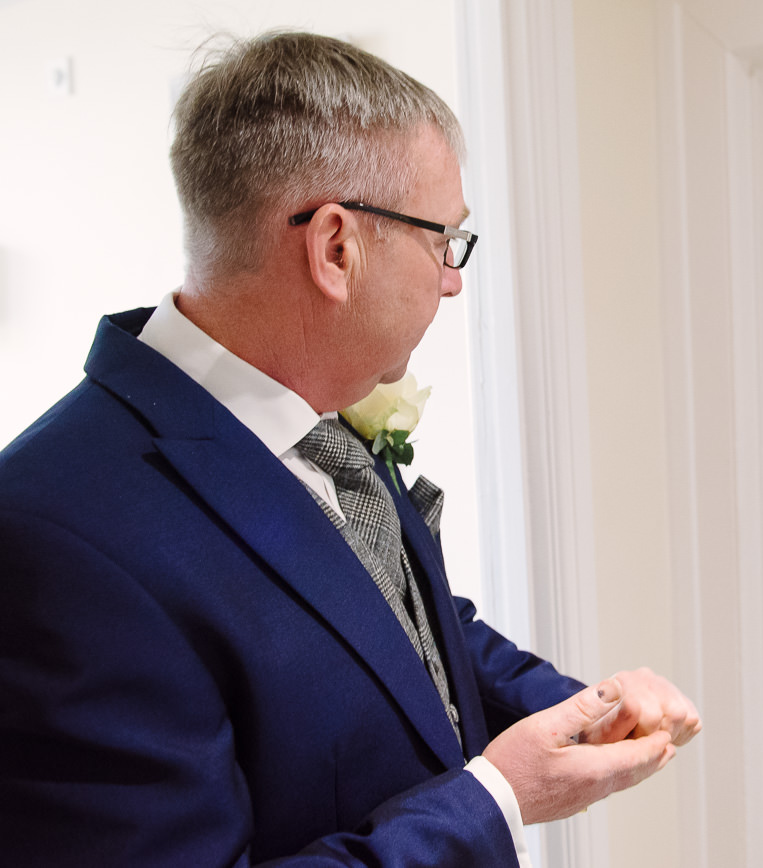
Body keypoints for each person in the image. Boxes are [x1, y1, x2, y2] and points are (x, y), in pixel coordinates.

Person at [0, 31, 700, 866]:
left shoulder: (318, 414)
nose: (454, 278)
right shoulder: (54, 537)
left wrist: (587, 709)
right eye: (445, 240)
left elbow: (402, 625)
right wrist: (497, 798)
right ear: (337, 247)